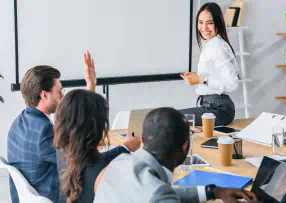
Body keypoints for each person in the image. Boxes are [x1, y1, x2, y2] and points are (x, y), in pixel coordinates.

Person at [94, 107, 261, 203]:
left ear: (142, 139)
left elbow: (161, 194)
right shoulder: (157, 194)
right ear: (185, 147)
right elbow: (159, 196)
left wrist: (214, 192)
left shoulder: (119, 163)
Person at [7, 51, 96, 203]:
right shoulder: (43, 130)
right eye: (59, 92)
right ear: (44, 95)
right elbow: (78, 159)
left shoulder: (20, 121)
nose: (62, 96)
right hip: (51, 196)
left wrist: (90, 87)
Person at [53, 89, 141, 203]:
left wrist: (125, 147)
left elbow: (95, 161)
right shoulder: (105, 174)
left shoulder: (64, 154)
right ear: (95, 127)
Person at [180, 2, 240, 126]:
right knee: (170, 117)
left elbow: (233, 84)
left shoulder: (217, 46)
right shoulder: (211, 43)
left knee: (171, 118)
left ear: (218, 23)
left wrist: (202, 79)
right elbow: (216, 75)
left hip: (219, 109)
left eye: (210, 23)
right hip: (210, 105)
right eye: (200, 22)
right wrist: (196, 77)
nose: (204, 28)